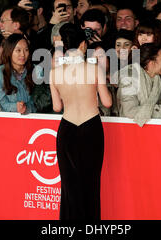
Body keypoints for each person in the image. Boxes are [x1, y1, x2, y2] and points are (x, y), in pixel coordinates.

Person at [50, 23, 112, 220]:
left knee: (69, 188)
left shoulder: (54, 73)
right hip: (91, 128)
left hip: (66, 129)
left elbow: (57, 107)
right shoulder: (94, 70)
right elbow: (107, 102)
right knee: (90, 185)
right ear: (84, 44)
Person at [117, 43, 161, 126]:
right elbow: (130, 111)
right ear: (151, 62)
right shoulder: (129, 75)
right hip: (128, 128)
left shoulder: (157, 79)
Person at [0, 34, 36, 114]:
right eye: (18, 50)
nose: (23, 54)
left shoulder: (36, 71)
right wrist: (16, 107)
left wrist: (26, 108)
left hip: (36, 119)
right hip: (11, 120)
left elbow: (40, 102)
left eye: (26, 50)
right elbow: (3, 103)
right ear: (9, 51)